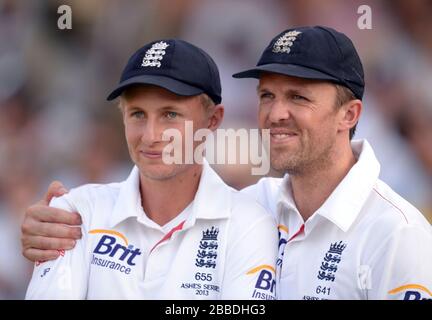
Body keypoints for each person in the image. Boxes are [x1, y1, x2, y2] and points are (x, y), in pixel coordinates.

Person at [22, 26, 432, 300]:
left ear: (350, 114)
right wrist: (48, 225)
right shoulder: (260, 203)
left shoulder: (398, 232)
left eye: (298, 97)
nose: (275, 114)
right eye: (267, 96)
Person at [24, 39, 278, 299]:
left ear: (213, 120)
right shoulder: (77, 210)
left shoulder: (249, 224)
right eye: (137, 114)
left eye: (170, 114)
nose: (150, 135)